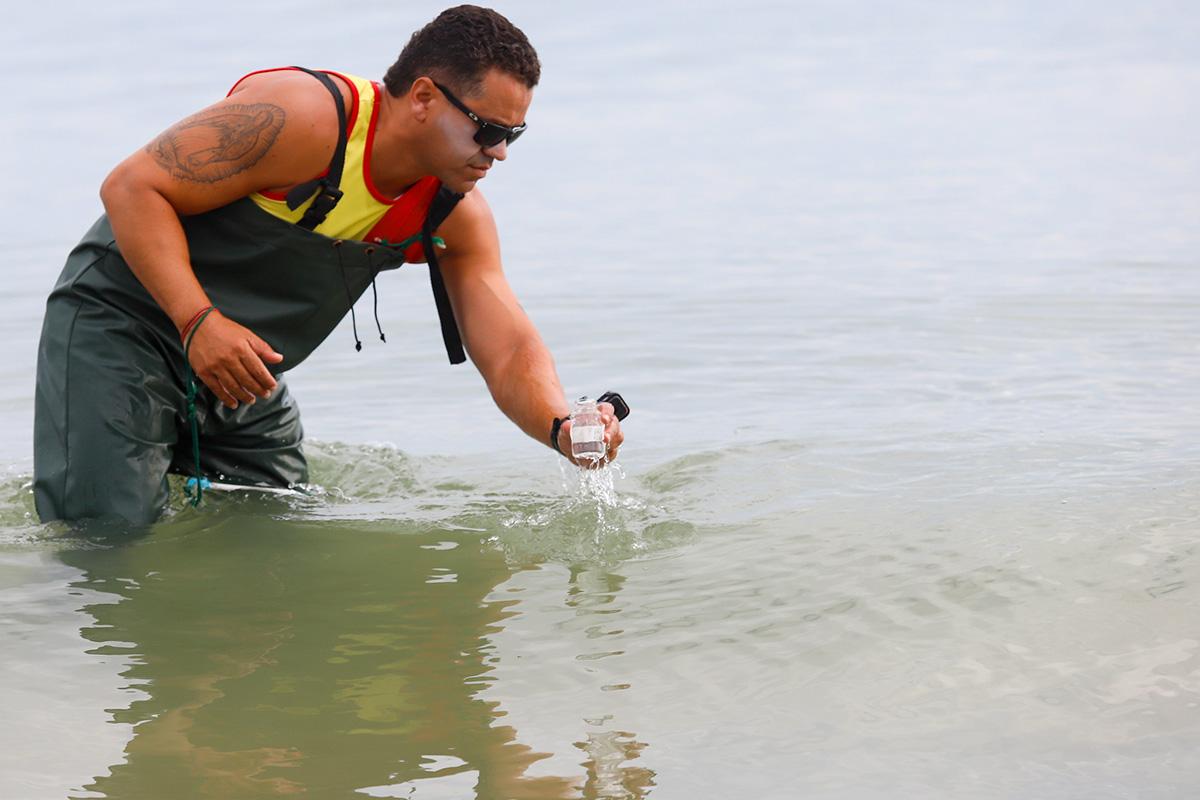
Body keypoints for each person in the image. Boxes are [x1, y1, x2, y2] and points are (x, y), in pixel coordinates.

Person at [33, 5, 624, 524]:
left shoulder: (453, 212)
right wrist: (197, 323)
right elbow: (132, 187)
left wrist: (561, 427)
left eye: (512, 136)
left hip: (244, 373)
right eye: (488, 130)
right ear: (422, 97)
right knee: (106, 545)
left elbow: (508, 344)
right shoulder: (302, 119)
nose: (497, 152)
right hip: (122, 327)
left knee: (278, 528)